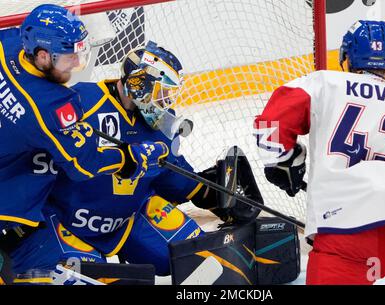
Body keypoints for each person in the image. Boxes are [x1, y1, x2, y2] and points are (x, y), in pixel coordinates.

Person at [7, 41, 261, 283]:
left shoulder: (161, 121)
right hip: (67, 223)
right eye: (162, 92)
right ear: (139, 83)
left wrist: (207, 192)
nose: (166, 102)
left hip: (130, 218)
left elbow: (168, 169)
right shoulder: (82, 103)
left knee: (201, 260)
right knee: (85, 279)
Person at [253, 20, 385, 285]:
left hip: (342, 235)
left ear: (346, 57)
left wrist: (284, 162)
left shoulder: (325, 83)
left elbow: (271, 124)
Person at [0, 5, 165, 235]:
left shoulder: (7, 42)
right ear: (42, 56)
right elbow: (83, 165)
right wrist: (128, 158)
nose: (76, 64)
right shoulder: (52, 105)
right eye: (68, 57)